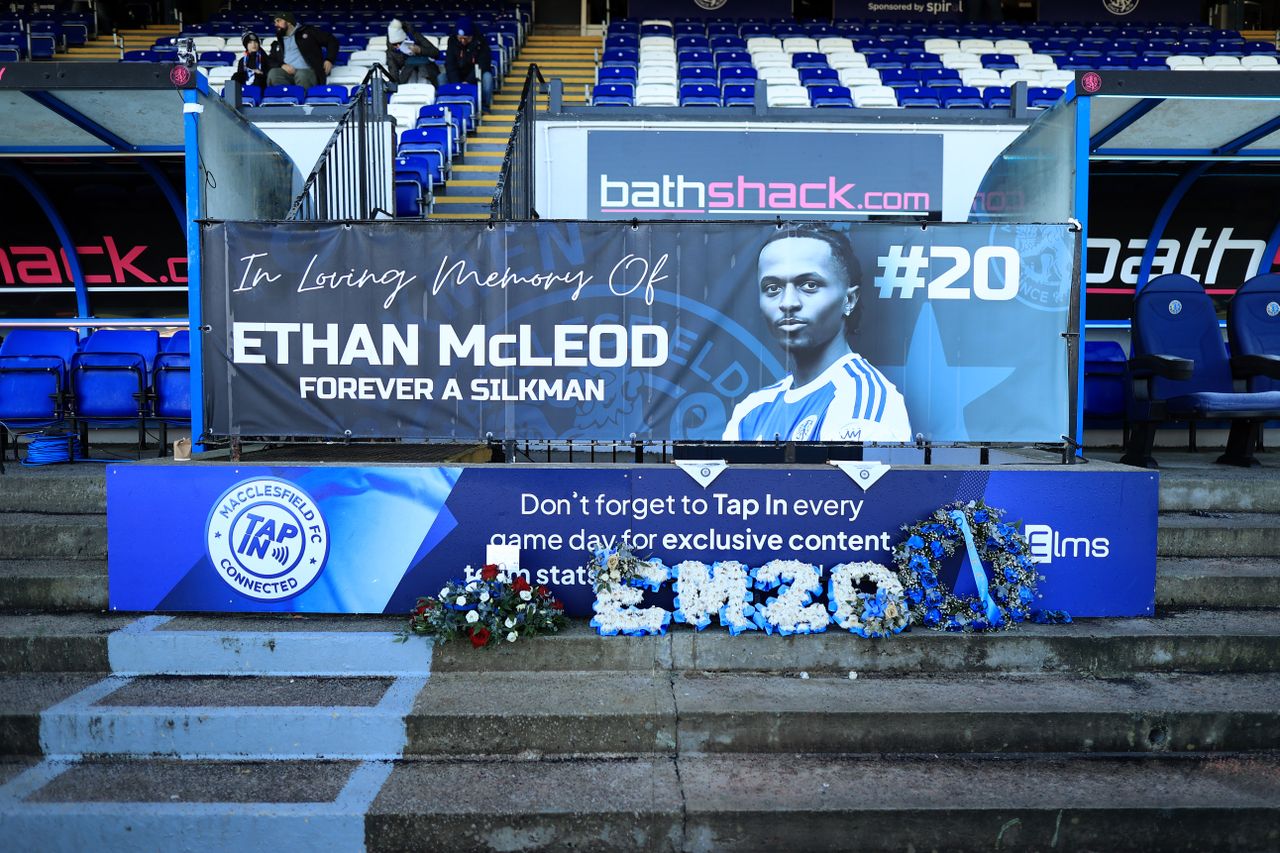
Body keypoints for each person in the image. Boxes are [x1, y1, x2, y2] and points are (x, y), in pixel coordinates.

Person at [723, 224, 912, 443]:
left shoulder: (861, 401)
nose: (788, 303)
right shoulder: (751, 411)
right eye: (773, 288)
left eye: (809, 285)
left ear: (849, 300)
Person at [265, 11, 340, 89]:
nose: (275, 24)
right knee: (273, 74)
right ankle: (283, 96)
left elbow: (332, 41)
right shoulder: (278, 42)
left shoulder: (308, 31)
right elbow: (271, 60)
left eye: (278, 21)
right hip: (287, 74)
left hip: (308, 72)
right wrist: (282, 65)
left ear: (288, 22)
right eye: (275, 22)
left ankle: (303, 97)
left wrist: (329, 59)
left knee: (302, 74)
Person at [443, 16, 493, 109]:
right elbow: (450, 64)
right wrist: (457, 84)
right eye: (460, 38)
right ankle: (448, 103)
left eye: (466, 39)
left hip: (475, 75)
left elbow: (482, 64)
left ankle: (484, 105)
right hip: (458, 75)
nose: (463, 41)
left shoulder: (481, 42)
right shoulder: (452, 41)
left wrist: (468, 81)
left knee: (487, 77)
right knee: (441, 77)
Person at [385, 18, 440, 86]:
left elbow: (435, 52)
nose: (397, 46)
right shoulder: (391, 51)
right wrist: (395, 86)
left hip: (425, 67)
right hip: (407, 71)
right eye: (394, 44)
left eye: (399, 43)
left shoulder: (415, 36)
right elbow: (393, 70)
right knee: (410, 82)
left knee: (423, 80)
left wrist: (420, 50)